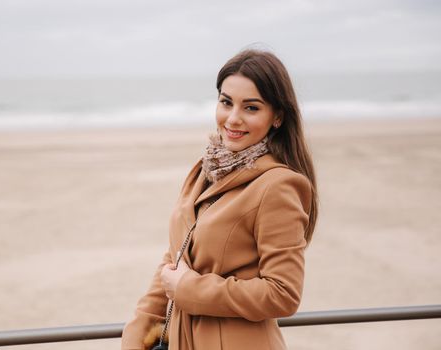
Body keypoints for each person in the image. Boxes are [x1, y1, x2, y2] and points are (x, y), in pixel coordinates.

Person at [121, 48, 318, 350]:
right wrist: (138, 332)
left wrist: (189, 288)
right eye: (226, 102)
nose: (233, 119)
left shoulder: (278, 186)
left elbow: (283, 293)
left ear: (277, 116)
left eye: (251, 108)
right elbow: (176, 257)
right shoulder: (205, 169)